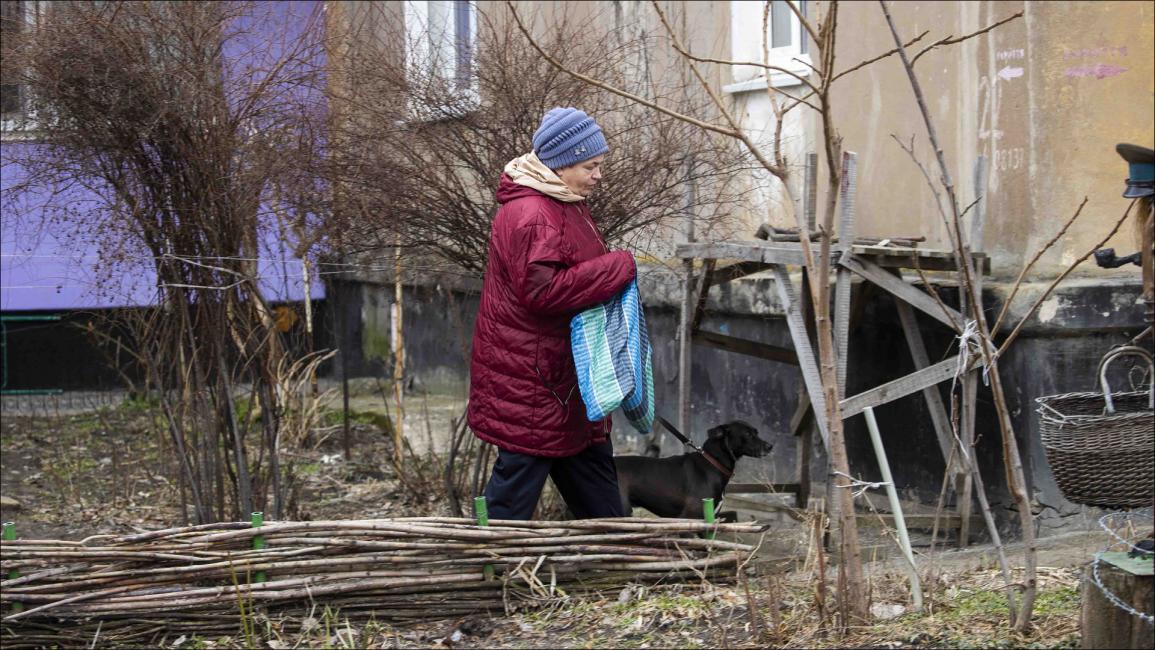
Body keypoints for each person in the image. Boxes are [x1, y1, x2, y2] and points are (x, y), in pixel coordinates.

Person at [467, 107, 637, 520]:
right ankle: (491, 569)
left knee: (592, 470)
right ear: (560, 164)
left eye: (600, 165)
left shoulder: (563, 202)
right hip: (533, 378)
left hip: (563, 374)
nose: (598, 175)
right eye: (589, 165)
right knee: (516, 486)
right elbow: (543, 291)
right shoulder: (533, 215)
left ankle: (616, 561)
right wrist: (618, 266)